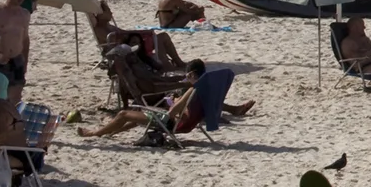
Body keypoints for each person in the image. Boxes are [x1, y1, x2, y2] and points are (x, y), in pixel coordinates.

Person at [83, 58, 255, 138]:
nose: (186, 78)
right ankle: (110, 132)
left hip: (174, 124)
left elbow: (173, 113)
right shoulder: (208, 89)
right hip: (188, 123)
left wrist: (171, 103)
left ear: (192, 74)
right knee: (138, 116)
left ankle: (94, 133)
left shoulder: (193, 89)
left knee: (124, 114)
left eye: (187, 76)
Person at [0, 0, 34, 106]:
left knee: (15, 99)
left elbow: (25, 39)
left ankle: (10, 125)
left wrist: (25, 61)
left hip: (17, 59)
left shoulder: (25, 14)